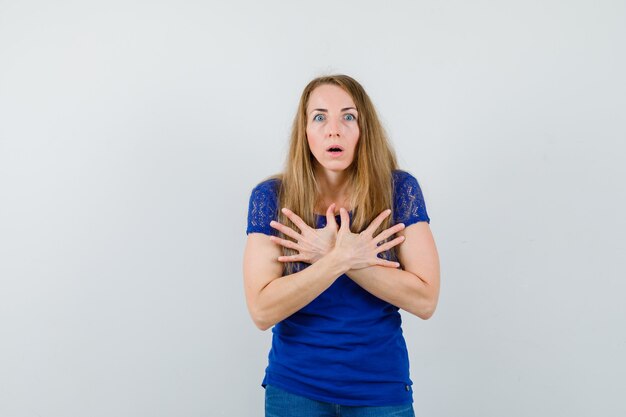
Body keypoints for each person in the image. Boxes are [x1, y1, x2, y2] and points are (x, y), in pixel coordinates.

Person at [243, 74, 440, 417]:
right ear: (304, 131)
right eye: (320, 117)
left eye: (348, 117)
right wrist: (336, 260)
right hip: (295, 390)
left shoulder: (398, 190)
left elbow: (425, 300)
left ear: (364, 130)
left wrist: (342, 256)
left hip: (380, 390)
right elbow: (262, 310)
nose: (334, 130)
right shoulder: (272, 198)